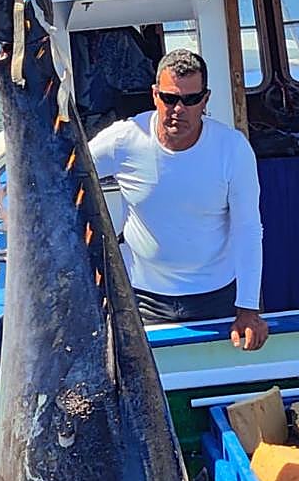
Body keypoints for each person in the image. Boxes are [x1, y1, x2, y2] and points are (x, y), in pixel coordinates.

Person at [89, 49, 269, 351]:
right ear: (155, 96)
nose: (178, 109)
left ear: (206, 99)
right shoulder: (122, 141)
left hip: (217, 295)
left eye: (190, 100)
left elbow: (248, 229)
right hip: (142, 298)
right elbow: (66, 173)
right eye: (170, 99)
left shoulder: (232, 149)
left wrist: (248, 308)